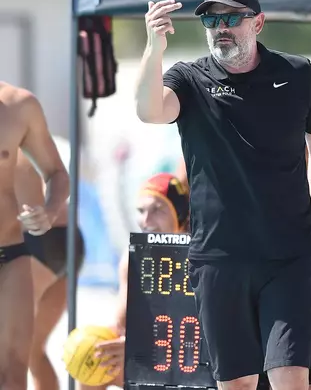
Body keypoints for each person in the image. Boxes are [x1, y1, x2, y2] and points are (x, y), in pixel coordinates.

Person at [135, 0, 311, 390]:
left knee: (290, 379)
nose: (220, 27)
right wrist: (154, 49)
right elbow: (149, 110)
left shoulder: (296, 74)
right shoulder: (188, 79)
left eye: (231, 18)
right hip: (219, 258)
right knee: (238, 385)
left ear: (258, 23)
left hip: (288, 257)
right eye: (211, 19)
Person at [79, 172, 190, 390]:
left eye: (158, 209)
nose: (146, 221)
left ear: (180, 213)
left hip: (192, 362)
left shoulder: (198, 258)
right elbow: (121, 325)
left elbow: (196, 337)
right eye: (141, 211)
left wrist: (138, 344)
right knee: (91, 365)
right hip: (151, 355)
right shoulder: (133, 260)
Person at [0, 82, 69, 390]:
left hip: (11, 255)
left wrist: (51, 209)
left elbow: (56, 172)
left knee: (14, 372)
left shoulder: (19, 105)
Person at [14, 150, 85, 390]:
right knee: (33, 350)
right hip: (69, 239)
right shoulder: (23, 132)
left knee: (12, 347)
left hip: (36, 241)